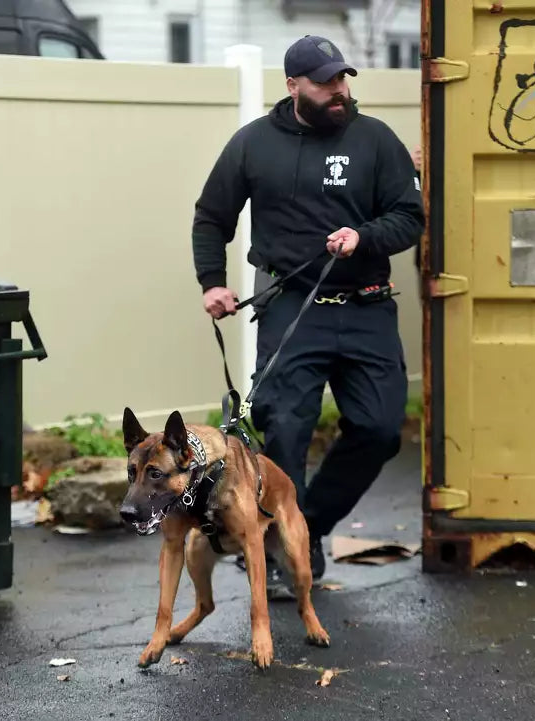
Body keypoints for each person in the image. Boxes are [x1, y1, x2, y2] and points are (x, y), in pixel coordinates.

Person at [191, 35, 425, 594]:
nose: (339, 91)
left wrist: (362, 236)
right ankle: (281, 549)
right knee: (285, 430)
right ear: (294, 86)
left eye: (343, 80)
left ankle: (306, 526)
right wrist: (213, 283)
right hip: (292, 307)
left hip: (366, 305)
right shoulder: (252, 145)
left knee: (380, 429)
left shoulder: (375, 140)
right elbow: (211, 217)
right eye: (325, 82)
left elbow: (409, 217)